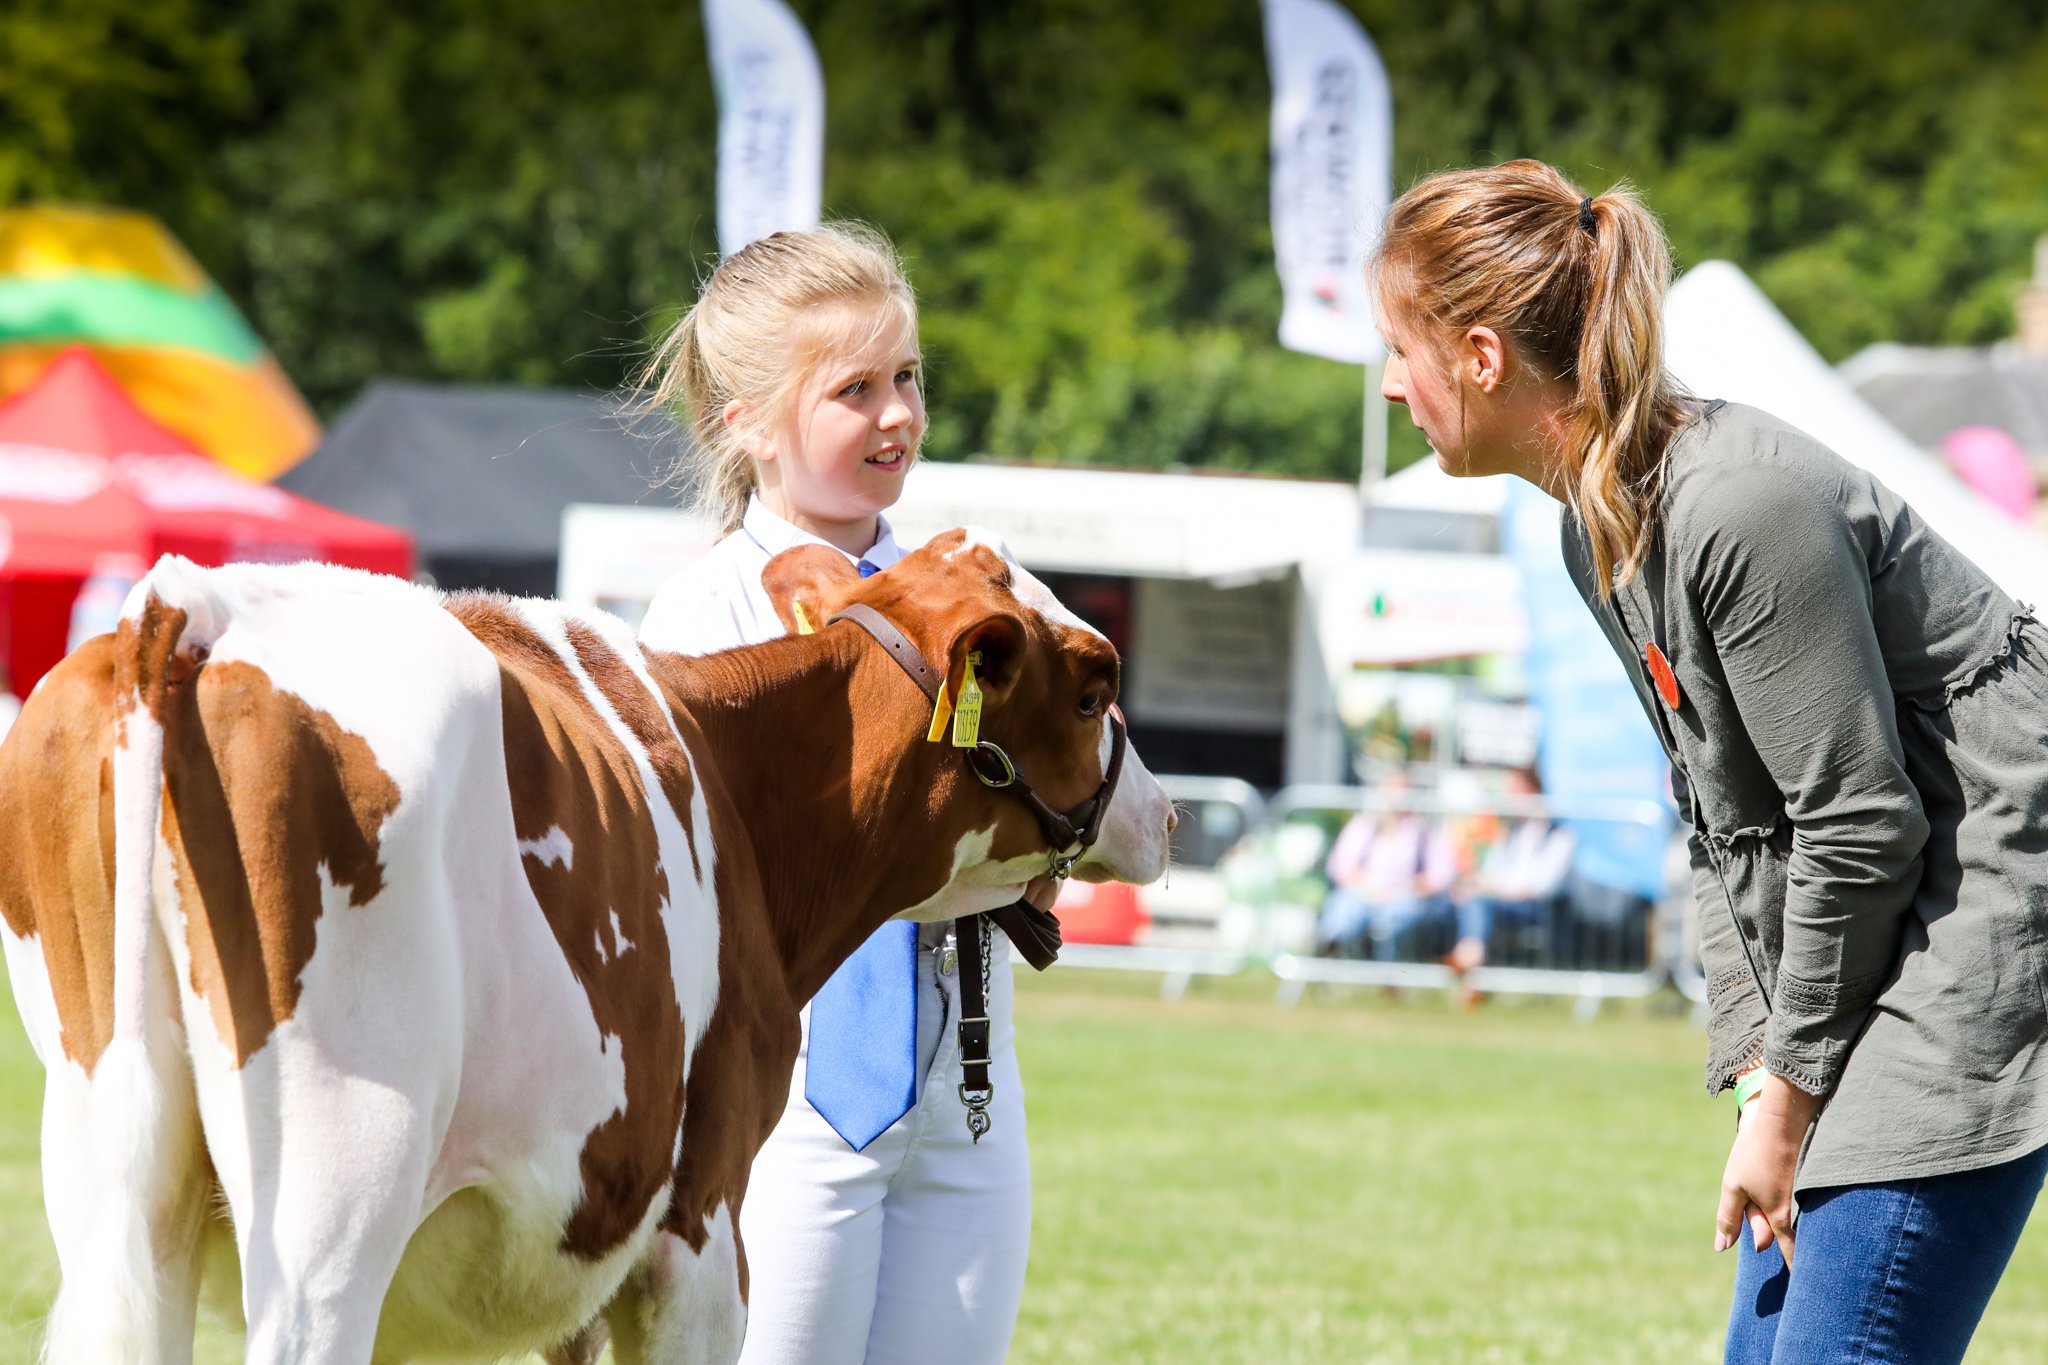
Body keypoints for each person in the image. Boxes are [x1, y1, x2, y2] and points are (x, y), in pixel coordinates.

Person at [1369, 158, 2048, 1365]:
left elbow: (1853, 824)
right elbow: (1726, 824)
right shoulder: (1602, 531)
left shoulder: (1736, 502)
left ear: (1479, 358)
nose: (1386, 384)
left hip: (1990, 902)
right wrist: (1756, 1073)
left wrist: (1788, 1093)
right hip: (1900, 904)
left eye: (1399, 352)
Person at [635, 223, 1043, 1365]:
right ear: (748, 424)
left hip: (967, 1096)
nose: (898, 414)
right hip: (783, 1105)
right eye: (853, 390)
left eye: (907, 376)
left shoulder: (980, 582)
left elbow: (1083, 791)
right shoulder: (702, 619)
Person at [1316, 772, 1457, 962]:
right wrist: (1369, 889)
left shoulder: (1424, 830)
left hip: (1407, 897)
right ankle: (1330, 957)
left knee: (1398, 915)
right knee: (1345, 909)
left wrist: (1403, 890)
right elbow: (1341, 867)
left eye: (1402, 790)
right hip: (1363, 893)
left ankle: (1390, 972)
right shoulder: (1363, 825)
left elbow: (1440, 876)